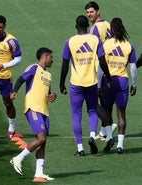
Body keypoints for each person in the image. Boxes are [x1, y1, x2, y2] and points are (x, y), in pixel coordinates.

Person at [59, 15, 112, 156]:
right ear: (87, 26)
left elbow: (65, 64)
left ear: (76, 26)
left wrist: (61, 84)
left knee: (76, 115)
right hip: (92, 83)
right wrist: (109, 77)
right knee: (93, 111)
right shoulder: (95, 40)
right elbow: (102, 61)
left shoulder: (69, 42)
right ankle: (93, 135)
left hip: (76, 84)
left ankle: (80, 148)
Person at [9, 47, 56, 183]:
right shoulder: (34, 68)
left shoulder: (48, 75)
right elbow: (21, 79)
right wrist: (14, 91)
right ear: (45, 57)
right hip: (33, 108)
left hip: (44, 110)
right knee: (41, 138)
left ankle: (39, 174)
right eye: (51, 57)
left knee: (43, 142)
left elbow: (48, 93)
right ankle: (18, 159)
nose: (52, 60)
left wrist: (53, 96)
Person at [101, 17, 137, 154]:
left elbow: (101, 66)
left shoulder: (105, 44)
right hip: (123, 80)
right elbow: (133, 68)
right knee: (121, 114)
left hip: (108, 80)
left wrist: (99, 84)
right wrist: (134, 84)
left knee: (107, 110)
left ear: (111, 29)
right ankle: (120, 145)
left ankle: (110, 137)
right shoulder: (129, 46)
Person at [84, 1, 117, 141]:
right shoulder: (109, 25)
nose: (89, 15)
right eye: (87, 13)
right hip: (111, 65)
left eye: (91, 12)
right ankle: (104, 131)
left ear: (98, 11)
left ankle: (108, 126)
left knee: (94, 100)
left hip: (99, 67)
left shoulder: (93, 29)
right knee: (104, 101)